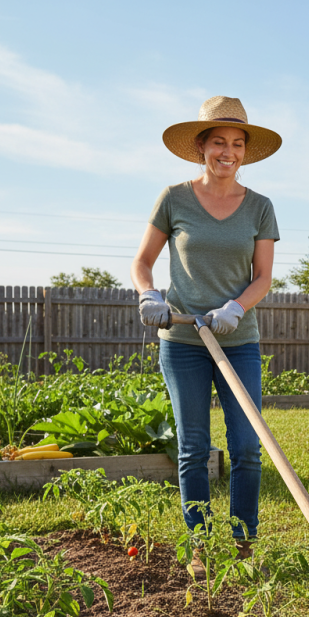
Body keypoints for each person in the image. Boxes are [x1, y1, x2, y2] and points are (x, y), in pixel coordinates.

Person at [130, 96, 282, 565]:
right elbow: (142, 262)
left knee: (246, 447)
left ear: (245, 151)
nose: (228, 152)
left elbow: (263, 277)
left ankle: (243, 544)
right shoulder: (173, 198)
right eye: (219, 142)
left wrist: (236, 307)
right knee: (194, 449)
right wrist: (148, 294)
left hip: (238, 341)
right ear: (201, 146)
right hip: (183, 342)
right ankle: (199, 545)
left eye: (237, 143)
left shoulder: (259, 207)